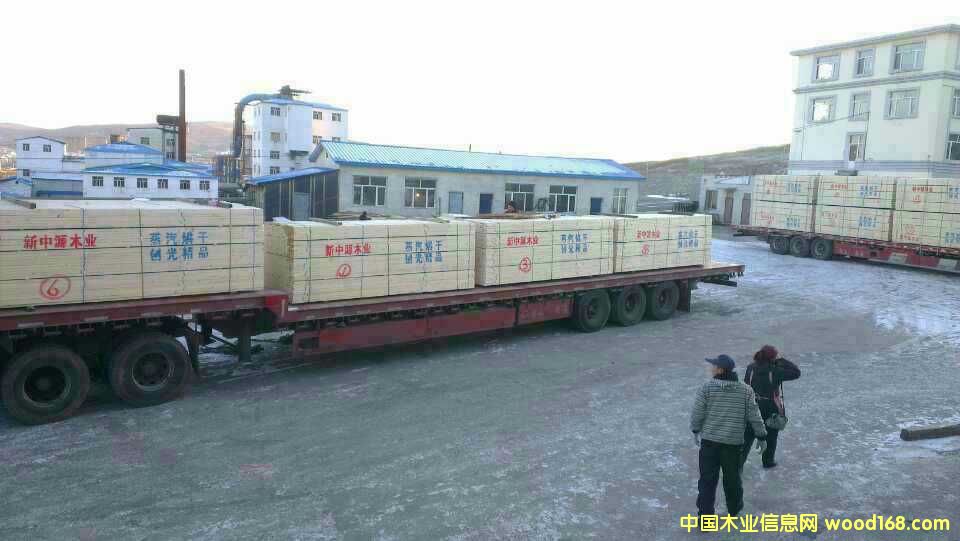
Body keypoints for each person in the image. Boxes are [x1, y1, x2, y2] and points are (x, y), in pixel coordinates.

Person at [691, 354, 767, 517]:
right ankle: (734, 509)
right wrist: (761, 436)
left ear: (720, 370)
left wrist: (695, 430)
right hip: (733, 444)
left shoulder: (707, 388)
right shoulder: (745, 390)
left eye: (714, 366)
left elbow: (698, 412)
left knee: (707, 481)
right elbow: (755, 415)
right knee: (733, 479)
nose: (711, 368)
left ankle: (705, 518)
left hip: (709, 442)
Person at [741, 345, 801, 469]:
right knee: (771, 436)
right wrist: (781, 360)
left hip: (753, 405)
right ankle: (768, 462)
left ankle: (737, 465)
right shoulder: (775, 371)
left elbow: (746, 385)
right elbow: (796, 372)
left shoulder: (750, 368)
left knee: (748, 436)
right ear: (773, 357)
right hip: (770, 407)